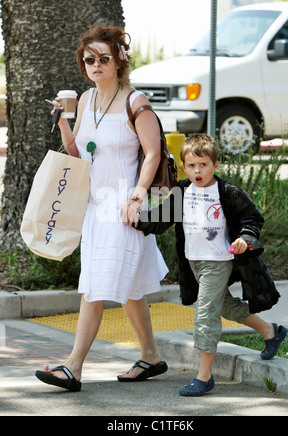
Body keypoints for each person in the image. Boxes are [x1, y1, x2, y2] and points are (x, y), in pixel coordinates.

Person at [35, 26, 169, 392]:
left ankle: (73, 367)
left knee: (93, 288)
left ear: (119, 60)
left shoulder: (135, 102)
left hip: (122, 207)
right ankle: (151, 356)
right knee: (130, 290)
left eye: (103, 58)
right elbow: (79, 153)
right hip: (96, 208)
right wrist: (62, 121)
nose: (95, 64)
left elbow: (154, 153)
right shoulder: (86, 99)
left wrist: (138, 195)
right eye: (88, 59)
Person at [134, 133, 287, 397]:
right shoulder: (182, 191)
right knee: (225, 306)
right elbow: (160, 219)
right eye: (192, 165)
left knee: (205, 315)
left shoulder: (227, 192)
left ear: (215, 165)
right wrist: (134, 219)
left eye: (203, 165)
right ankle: (271, 331)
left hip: (218, 262)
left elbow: (252, 219)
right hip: (195, 263)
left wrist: (244, 238)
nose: (197, 170)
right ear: (184, 167)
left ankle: (204, 376)